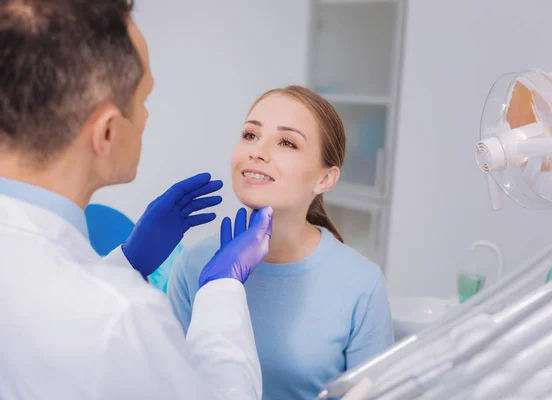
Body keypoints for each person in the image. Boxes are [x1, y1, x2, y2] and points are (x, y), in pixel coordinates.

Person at [0, 1, 273, 399]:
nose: (146, 116)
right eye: (142, 99)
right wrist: (221, 289)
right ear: (106, 132)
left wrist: (126, 261)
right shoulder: (120, 320)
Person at [168, 86, 395, 399]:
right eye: (250, 134)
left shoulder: (362, 285)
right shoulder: (195, 264)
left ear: (325, 179)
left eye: (287, 142)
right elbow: (172, 386)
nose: (257, 151)